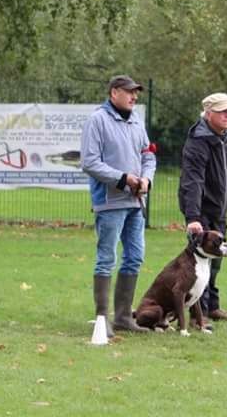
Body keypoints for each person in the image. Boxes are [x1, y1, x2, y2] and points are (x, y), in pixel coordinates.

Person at [81, 74, 156, 335]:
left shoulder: (136, 121)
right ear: (114, 93)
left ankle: (124, 317)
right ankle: (103, 320)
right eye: (129, 92)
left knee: (135, 257)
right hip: (110, 202)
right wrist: (123, 179)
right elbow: (89, 163)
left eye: (136, 92)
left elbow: (148, 155)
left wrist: (146, 179)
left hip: (136, 202)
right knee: (106, 259)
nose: (134, 96)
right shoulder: (97, 120)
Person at [178, 92, 227, 329]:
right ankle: (197, 315)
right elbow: (192, 181)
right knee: (199, 263)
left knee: (217, 259)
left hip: (219, 209)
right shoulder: (198, 141)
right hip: (201, 210)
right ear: (208, 113)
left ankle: (212, 306)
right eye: (223, 111)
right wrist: (193, 217)